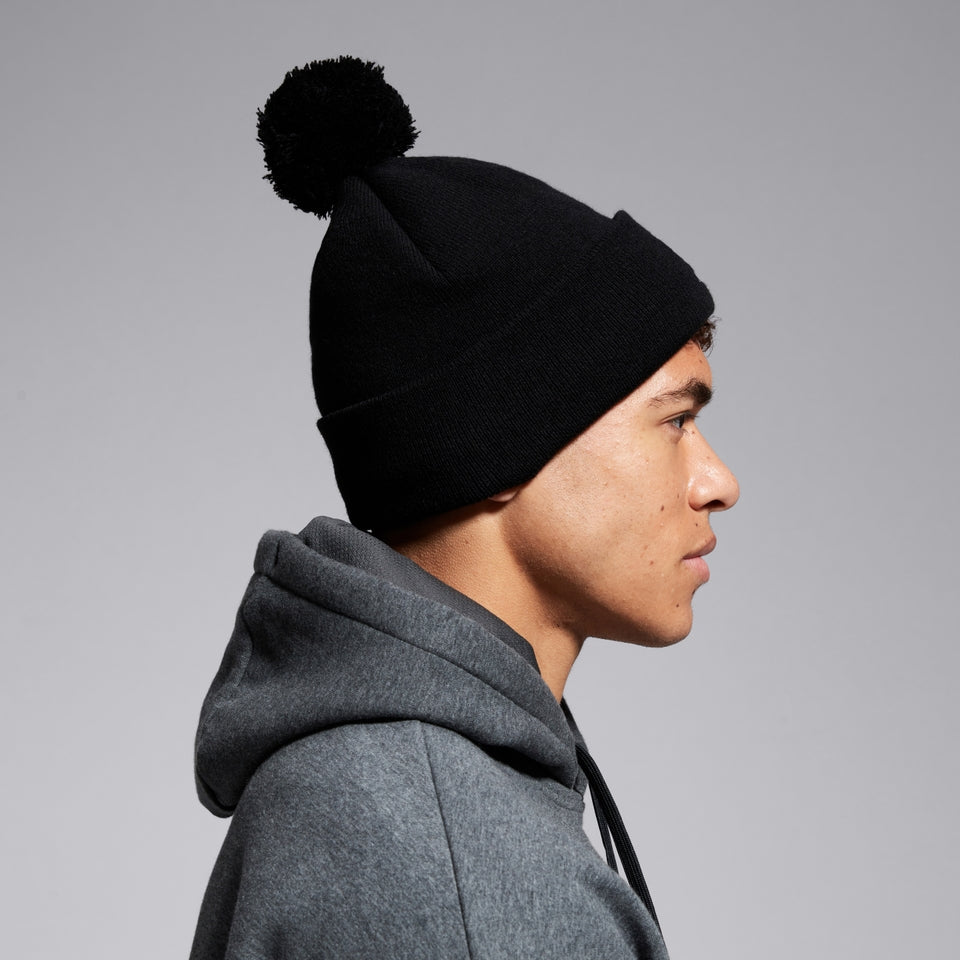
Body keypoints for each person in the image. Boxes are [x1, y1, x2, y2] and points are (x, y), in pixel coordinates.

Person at [189, 55, 739, 960]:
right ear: (499, 442)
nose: (718, 481)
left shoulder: (370, 791)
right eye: (675, 421)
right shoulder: (461, 877)